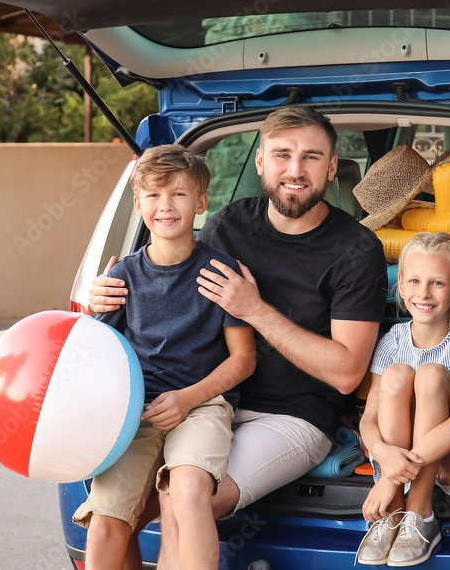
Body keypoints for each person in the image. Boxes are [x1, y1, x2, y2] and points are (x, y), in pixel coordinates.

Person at [89, 106, 388, 570]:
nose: (295, 169)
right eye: (282, 154)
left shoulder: (355, 249)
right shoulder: (230, 224)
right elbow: (168, 288)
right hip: (204, 399)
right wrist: (111, 291)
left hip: (290, 415)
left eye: (311, 157)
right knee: (113, 515)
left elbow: (348, 373)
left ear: (332, 168)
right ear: (260, 163)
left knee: (181, 502)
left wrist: (255, 310)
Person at [72, 145, 256, 570]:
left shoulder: (220, 272)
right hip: (134, 411)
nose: (165, 206)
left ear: (201, 203)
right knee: (106, 521)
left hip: (202, 404)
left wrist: (188, 399)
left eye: (178, 194)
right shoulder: (121, 277)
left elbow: (243, 359)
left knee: (189, 491)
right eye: (153, 196)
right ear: (138, 205)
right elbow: (97, 352)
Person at [356, 231, 450, 567]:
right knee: (396, 374)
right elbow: (368, 419)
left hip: (449, 465)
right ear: (402, 287)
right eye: (415, 281)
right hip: (396, 462)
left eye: (437, 283)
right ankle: (392, 515)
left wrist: (392, 476)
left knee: (432, 375)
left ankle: (420, 513)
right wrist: (384, 457)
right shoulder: (392, 340)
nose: (424, 293)